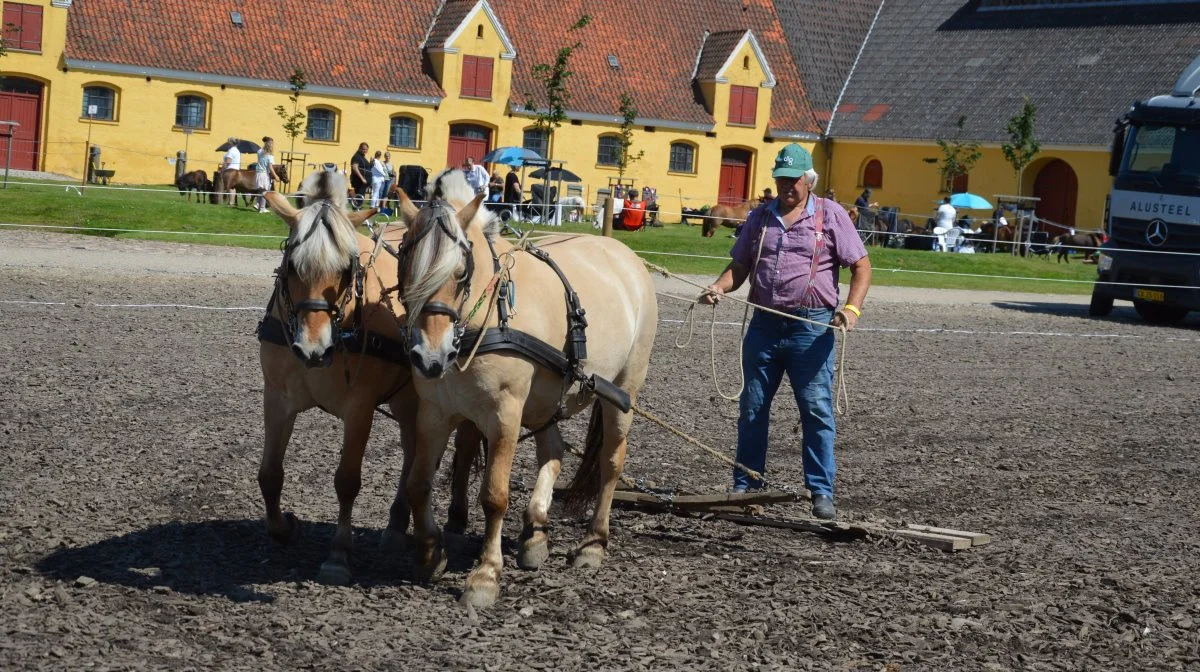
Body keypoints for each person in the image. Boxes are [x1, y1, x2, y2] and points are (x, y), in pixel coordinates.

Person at [698, 144, 872, 520]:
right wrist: (718, 287)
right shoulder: (760, 218)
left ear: (809, 180)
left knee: (816, 410)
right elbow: (739, 265)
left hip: (811, 328)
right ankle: (746, 485)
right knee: (752, 409)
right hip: (763, 327)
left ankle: (821, 491)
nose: (787, 186)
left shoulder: (830, 215)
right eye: (781, 179)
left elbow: (861, 265)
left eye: (793, 180)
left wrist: (851, 309)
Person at [253, 137, 282, 213]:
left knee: (261, 190)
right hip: (264, 174)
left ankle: (257, 204)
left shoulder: (259, 152)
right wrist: (276, 176)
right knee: (265, 191)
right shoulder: (270, 156)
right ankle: (262, 208)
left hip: (258, 173)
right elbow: (270, 167)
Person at [349, 142, 371, 206]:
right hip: (359, 181)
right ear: (359, 148)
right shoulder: (357, 157)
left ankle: (358, 209)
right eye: (363, 149)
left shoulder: (362, 157)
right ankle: (357, 210)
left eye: (366, 149)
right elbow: (355, 168)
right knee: (359, 197)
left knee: (361, 197)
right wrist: (362, 178)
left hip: (363, 183)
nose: (365, 151)